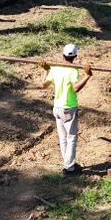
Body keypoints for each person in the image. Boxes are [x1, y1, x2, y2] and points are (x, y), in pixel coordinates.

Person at [40, 44, 92, 176]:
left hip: (57, 108)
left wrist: (46, 70)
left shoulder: (55, 68)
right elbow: (75, 88)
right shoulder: (73, 70)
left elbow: (44, 85)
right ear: (75, 56)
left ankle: (68, 164)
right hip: (69, 108)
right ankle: (69, 169)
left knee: (63, 138)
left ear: (63, 55)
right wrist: (87, 76)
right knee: (71, 138)